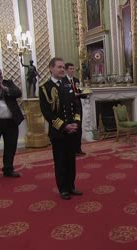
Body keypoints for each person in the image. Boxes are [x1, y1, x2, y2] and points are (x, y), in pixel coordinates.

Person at [40, 57, 82, 200]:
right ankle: (63, 188)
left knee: (71, 160)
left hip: (72, 130)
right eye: (59, 67)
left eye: (63, 67)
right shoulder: (45, 88)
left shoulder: (68, 85)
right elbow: (47, 113)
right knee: (60, 161)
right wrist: (64, 126)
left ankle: (71, 186)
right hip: (58, 132)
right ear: (51, 68)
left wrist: (76, 123)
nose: (62, 69)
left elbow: (76, 105)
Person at [62, 63, 86, 156]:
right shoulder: (63, 81)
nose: (72, 70)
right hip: (69, 109)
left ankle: (78, 149)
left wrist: (85, 94)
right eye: (70, 69)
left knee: (78, 128)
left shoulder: (76, 80)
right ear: (67, 70)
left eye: (73, 69)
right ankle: (71, 150)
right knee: (71, 129)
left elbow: (80, 92)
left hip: (78, 109)